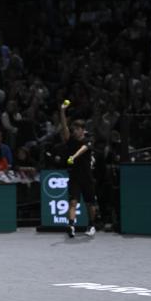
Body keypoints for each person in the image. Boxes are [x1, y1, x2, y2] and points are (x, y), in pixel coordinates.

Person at [60, 101, 97, 238]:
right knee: (73, 202)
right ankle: (71, 226)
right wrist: (62, 111)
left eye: (75, 129)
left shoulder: (89, 140)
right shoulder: (70, 140)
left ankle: (91, 225)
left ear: (82, 129)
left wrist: (73, 157)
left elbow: (84, 149)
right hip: (74, 177)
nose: (73, 131)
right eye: (73, 129)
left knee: (90, 203)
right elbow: (64, 126)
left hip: (87, 177)